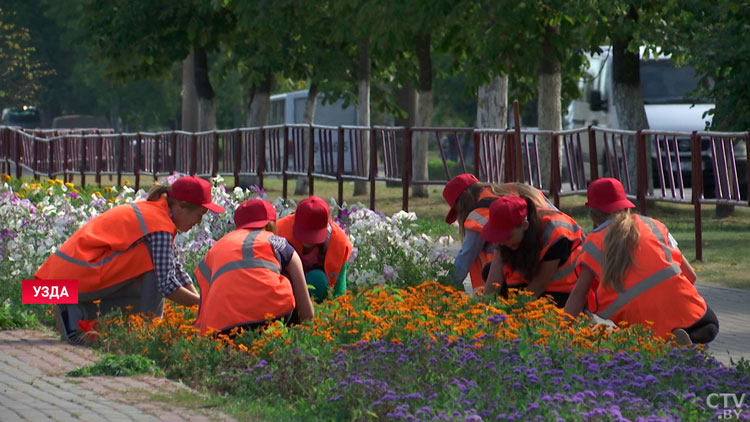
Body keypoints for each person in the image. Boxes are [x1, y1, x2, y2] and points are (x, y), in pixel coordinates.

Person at [35, 176, 225, 343]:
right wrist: (203, 306)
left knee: (149, 273)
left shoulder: (156, 214)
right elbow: (167, 285)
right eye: (199, 215)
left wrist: (200, 303)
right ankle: (147, 334)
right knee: (151, 270)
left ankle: (78, 312)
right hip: (62, 286)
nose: (199, 222)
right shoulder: (159, 226)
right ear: (181, 207)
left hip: (52, 286)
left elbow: (175, 268)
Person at [564, 178, 718, 345]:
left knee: (645, 339)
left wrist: (561, 331)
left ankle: (667, 343)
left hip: (641, 326)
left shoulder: (593, 244)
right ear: (626, 204)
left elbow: (579, 294)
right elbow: (691, 276)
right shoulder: (653, 225)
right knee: (709, 325)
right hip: (687, 314)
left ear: (593, 214)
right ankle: (680, 342)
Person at [194, 199, 314, 336]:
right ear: (271, 223)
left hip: (221, 326)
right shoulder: (277, 242)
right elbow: (306, 310)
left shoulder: (216, 248)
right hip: (271, 316)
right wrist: (306, 332)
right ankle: (282, 343)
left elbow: (205, 300)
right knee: (286, 275)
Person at [442, 173, 558, 291]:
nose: (459, 216)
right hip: (554, 261)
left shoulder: (477, 214)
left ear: (463, 201)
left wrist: (446, 287)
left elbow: (467, 254)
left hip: (514, 275)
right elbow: (556, 216)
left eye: (457, 210)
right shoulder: (520, 189)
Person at [480, 195, 585, 307]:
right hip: (530, 279)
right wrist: (483, 310)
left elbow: (539, 285)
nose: (502, 242)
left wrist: (512, 312)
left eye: (507, 237)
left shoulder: (555, 234)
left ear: (525, 226)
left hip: (565, 291)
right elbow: (493, 280)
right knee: (488, 269)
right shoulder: (505, 236)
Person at [276, 196, 353, 302]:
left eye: (313, 234)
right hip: (284, 290)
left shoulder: (339, 244)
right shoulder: (278, 232)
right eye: (304, 232)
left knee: (317, 279)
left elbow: (339, 293)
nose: (307, 240)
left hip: (317, 289)